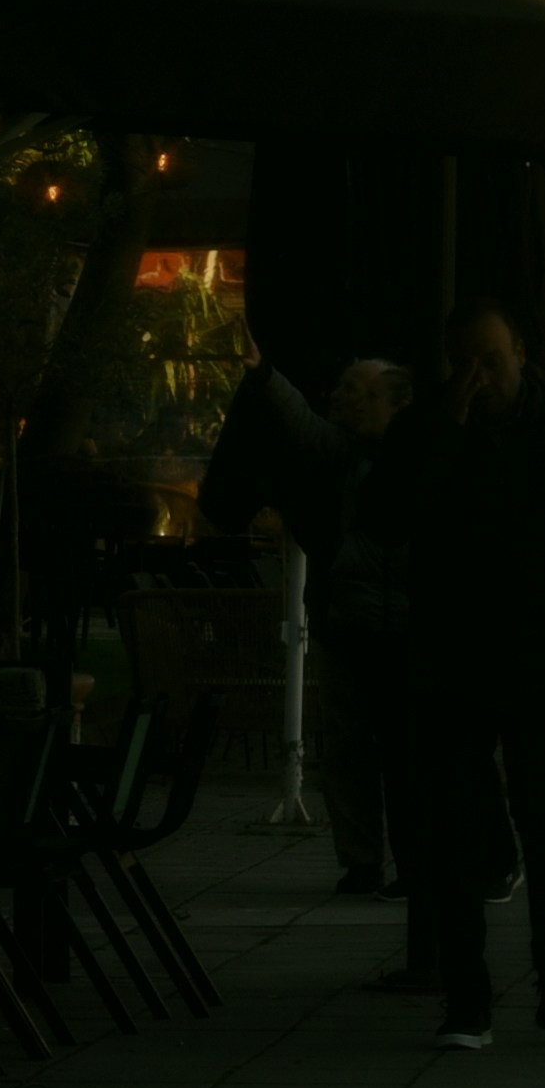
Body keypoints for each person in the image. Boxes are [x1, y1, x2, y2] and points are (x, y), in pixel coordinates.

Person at [356, 302, 545, 1051]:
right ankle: (468, 996)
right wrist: (443, 429)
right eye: (466, 363)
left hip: (538, 654)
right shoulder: (429, 428)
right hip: (448, 654)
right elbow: (383, 517)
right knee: (452, 825)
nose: (480, 377)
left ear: (524, 353)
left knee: (542, 818)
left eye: (493, 360)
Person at [209, 354, 407, 900]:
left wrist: (268, 378)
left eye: (359, 391)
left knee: (388, 751)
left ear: (393, 401)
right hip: (350, 624)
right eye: (344, 387)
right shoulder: (341, 455)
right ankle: (369, 862)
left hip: (384, 626)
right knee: (353, 750)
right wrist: (266, 378)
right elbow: (304, 425)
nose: (343, 398)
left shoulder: (377, 457)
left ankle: (393, 862)